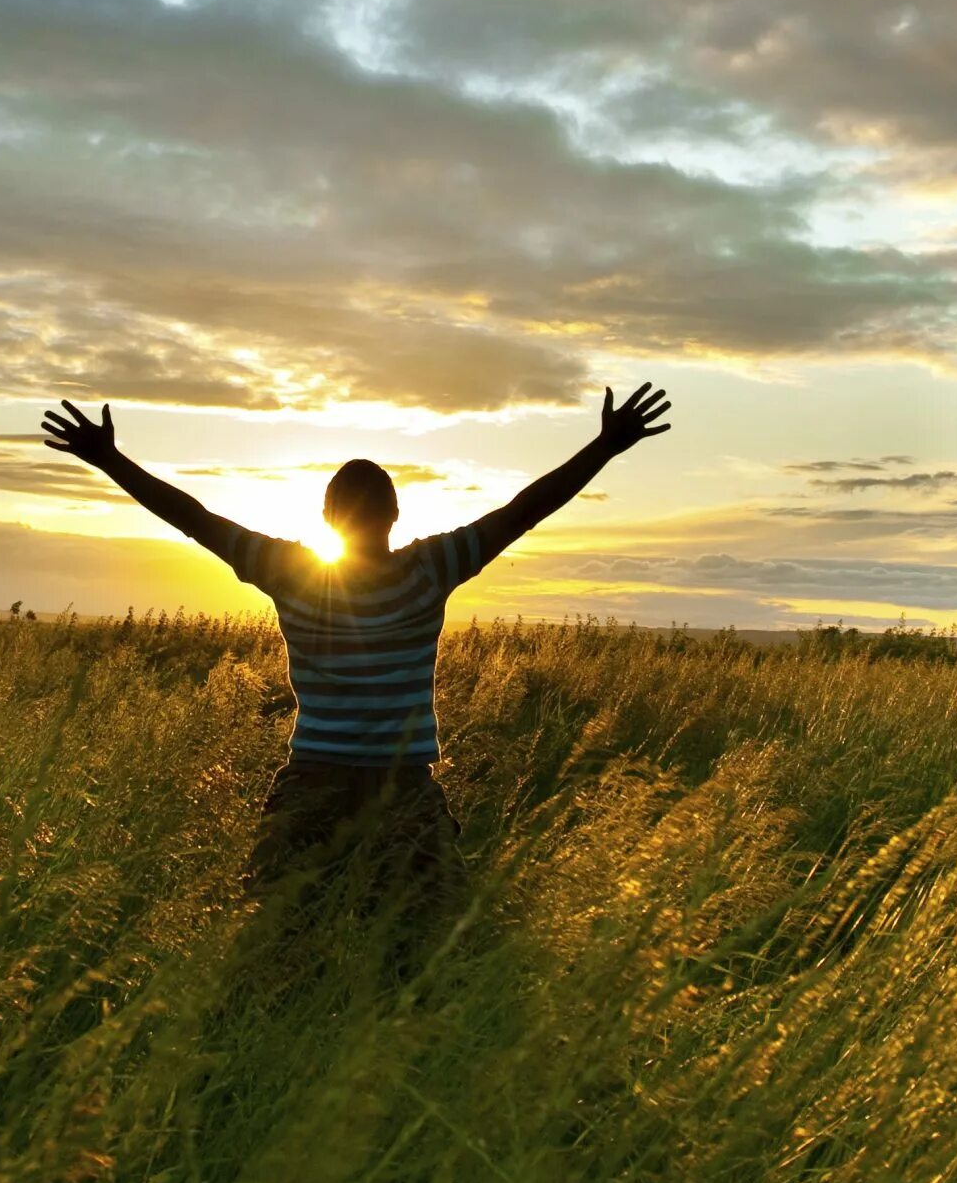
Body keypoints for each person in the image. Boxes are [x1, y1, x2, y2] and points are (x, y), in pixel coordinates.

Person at [40, 383, 674, 920]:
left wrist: (111, 461)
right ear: (395, 514)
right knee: (431, 945)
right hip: (404, 793)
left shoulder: (290, 571)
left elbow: (194, 517)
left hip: (311, 783)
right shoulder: (430, 569)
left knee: (272, 936)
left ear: (325, 517)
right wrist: (604, 448)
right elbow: (524, 511)